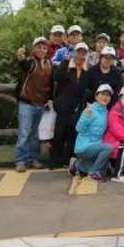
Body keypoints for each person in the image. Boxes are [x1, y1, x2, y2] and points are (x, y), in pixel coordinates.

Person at [15, 37, 54, 172]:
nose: (41, 50)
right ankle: (20, 160)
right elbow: (24, 65)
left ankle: (33, 158)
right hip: (27, 102)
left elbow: (51, 84)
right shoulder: (31, 62)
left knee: (35, 134)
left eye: (44, 48)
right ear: (34, 49)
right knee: (24, 132)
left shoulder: (49, 63)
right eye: (38, 47)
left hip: (41, 103)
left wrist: (50, 98)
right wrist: (21, 58)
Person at [50, 42, 90, 169]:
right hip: (63, 106)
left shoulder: (86, 70)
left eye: (83, 53)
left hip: (77, 108)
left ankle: (68, 160)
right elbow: (56, 77)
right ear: (74, 53)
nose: (81, 56)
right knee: (59, 134)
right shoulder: (66, 64)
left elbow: (86, 88)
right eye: (79, 52)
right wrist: (65, 63)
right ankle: (55, 161)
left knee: (73, 135)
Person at [71, 84, 114, 181]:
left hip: (96, 147)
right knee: (108, 148)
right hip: (84, 147)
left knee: (104, 172)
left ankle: (77, 165)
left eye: (107, 95)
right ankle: (93, 172)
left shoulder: (106, 112)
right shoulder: (90, 110)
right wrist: (85, 117)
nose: (105, 97)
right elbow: (79, 128)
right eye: (102, 94)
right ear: (96, 96)